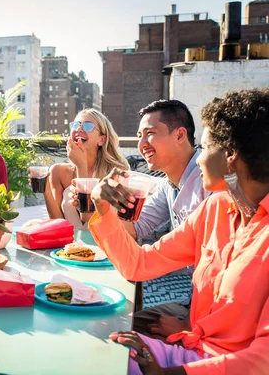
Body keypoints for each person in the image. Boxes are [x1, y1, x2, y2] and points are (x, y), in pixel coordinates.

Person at [89, 88, 269, 375]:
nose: (198, 159)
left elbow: (262, 361)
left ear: (231, 155)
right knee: (95, 341)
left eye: (207, 147)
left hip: (212, 365)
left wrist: (170, 372)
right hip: (190, 348)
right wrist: (102, 206)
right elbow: (139, 264)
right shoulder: (216, 210)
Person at [72, 100, 213, 333]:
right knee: (108, 319)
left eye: (150, 134)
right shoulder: (170, 185)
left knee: (109, 324)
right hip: (195, 298)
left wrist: (190, 324)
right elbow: (137, 228)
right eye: (139, 135)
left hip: (210, 310)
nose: (142, 144)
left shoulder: (211, 186)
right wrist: (102, 205)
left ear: (180, 135)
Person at [33, 109, 129, 235]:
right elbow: (58, 224)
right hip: (67, 249)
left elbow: (87, 219)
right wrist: (46, 190)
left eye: (88, 126)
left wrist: (81, 166)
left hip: (104, 247)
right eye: (76, 125)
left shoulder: (116, 173)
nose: (79, 129)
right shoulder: (58, 172)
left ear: (102, 140)